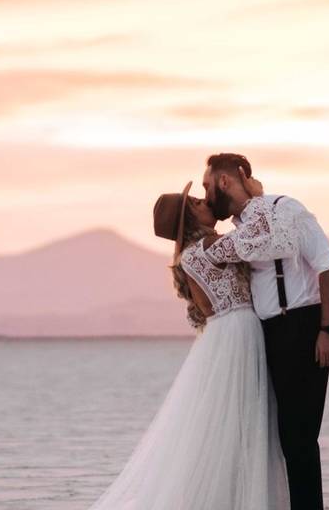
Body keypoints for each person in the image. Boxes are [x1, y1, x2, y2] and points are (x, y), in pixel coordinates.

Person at [85, 180, 294, 509]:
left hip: (222, 337)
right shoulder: (210, 247)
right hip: (239, 334)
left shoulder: (188, 256)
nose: (204, 201)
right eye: (197, 203)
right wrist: (256, 197)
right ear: (191, 219)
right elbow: (264, 236)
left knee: (226, 427)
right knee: (244, 425)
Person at [201, 152, 329, 510]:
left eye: (207, 185)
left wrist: (328, 328)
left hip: (302, 327)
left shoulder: (286, 210)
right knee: (281, 437)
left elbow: (328, 264)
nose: (205, 196)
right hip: (268, 334)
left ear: (224, 181)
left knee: (300, 438)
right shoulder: (244, 231)